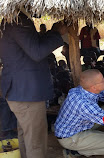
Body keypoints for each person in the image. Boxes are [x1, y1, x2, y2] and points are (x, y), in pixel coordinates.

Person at [0, 10, 67, 158]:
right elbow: (36, 51)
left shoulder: (10, 21)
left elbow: (29, 47)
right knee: (35, 142)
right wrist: (56, 33)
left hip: (19, 91)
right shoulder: (19, 21)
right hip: (26, 93)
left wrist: (49, 34)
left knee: (27, 136)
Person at [54, 69, 104, 157]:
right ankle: (74, 152)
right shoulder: (83, 104)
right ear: (94, 87)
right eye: (102, 80)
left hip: (79, 125)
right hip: (71, 137)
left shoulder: (84, 89)